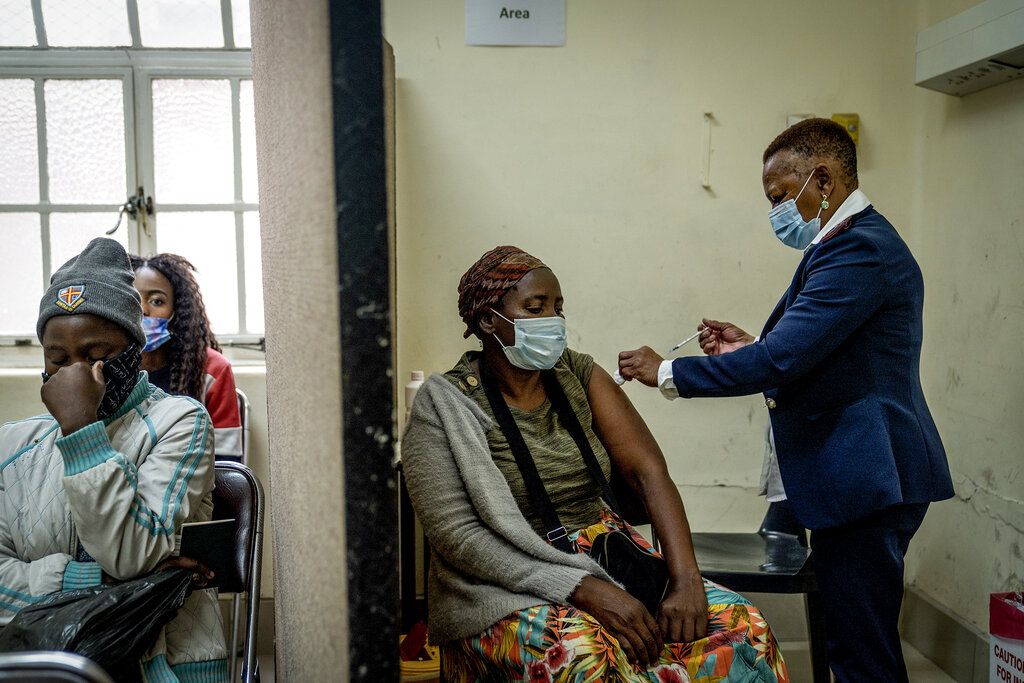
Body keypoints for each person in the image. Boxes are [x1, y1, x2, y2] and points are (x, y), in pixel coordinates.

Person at [618, 118, 954, 682]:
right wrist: (747, 346)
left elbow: (782, 361)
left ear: (821, 179)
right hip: (855, 474)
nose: (775, 211)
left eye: (779, 197)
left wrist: (669, 371)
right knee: (851, 639)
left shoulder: (860, 252)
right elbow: (816, 350)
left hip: (868, 475)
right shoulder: (839, 245)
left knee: (861, 653)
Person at [401, 246, 788, 682]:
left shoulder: (577, 374)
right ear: (489, 319)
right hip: (506, 579)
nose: (553, 319)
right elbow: (461, 540)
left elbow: (648, 473)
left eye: (558, 307)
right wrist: (581, 589)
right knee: (588, 655)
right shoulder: (445, 406)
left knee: (742, 627)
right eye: (535, 307)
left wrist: (686, 580)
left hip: (605, 554)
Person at [0, 237, 228, 681]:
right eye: (58, 358)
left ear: (133, 349)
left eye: (96, 355)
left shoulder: (179, 422)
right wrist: (92, 581)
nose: (74, 374)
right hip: (44, 665)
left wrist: (81, 428)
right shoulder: (14, 446)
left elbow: (130, 554)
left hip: (164, 668)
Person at [129, 253, 243, 461]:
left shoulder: (212, 370)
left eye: (156, 301)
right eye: (133, 299)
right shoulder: (102, 365)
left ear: (177, 311)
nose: (143, 310)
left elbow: (226, 463)